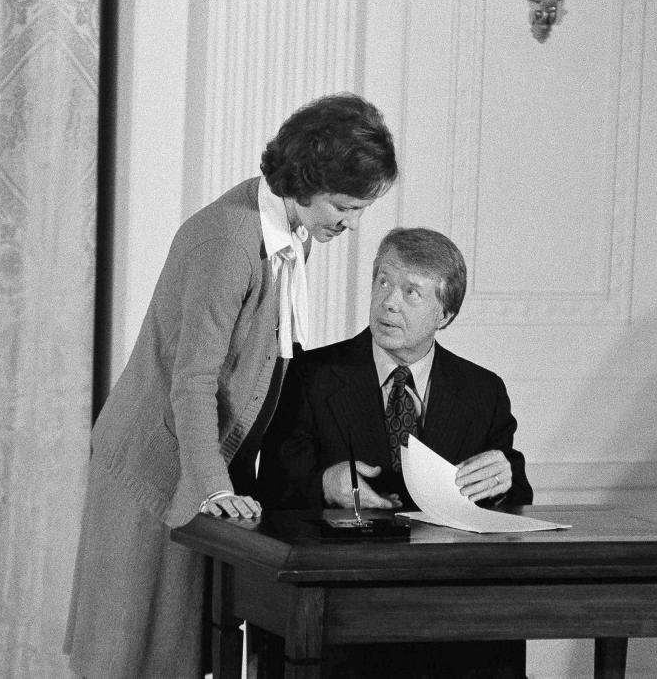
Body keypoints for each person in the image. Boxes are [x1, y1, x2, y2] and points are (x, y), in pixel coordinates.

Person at [64, 93, 397, 679]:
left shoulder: (286, 233)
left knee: (184, 654)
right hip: (154, 470)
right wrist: (214, 490)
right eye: (345, 206)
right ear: (308, 180)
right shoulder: (231, 242)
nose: (351, 223)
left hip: (199, 470)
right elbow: (192, 382)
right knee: (132, 658)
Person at [257, 227, 532, 679]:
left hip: (448, 606)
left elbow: (515, 495)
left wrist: (506, 476)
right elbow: (272, 488)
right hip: (342, 599)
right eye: (383, 282)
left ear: (445, 314)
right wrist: (325, 483)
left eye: (410, 292)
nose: (388, 302)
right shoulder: (311, 375)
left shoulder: (482, 391)